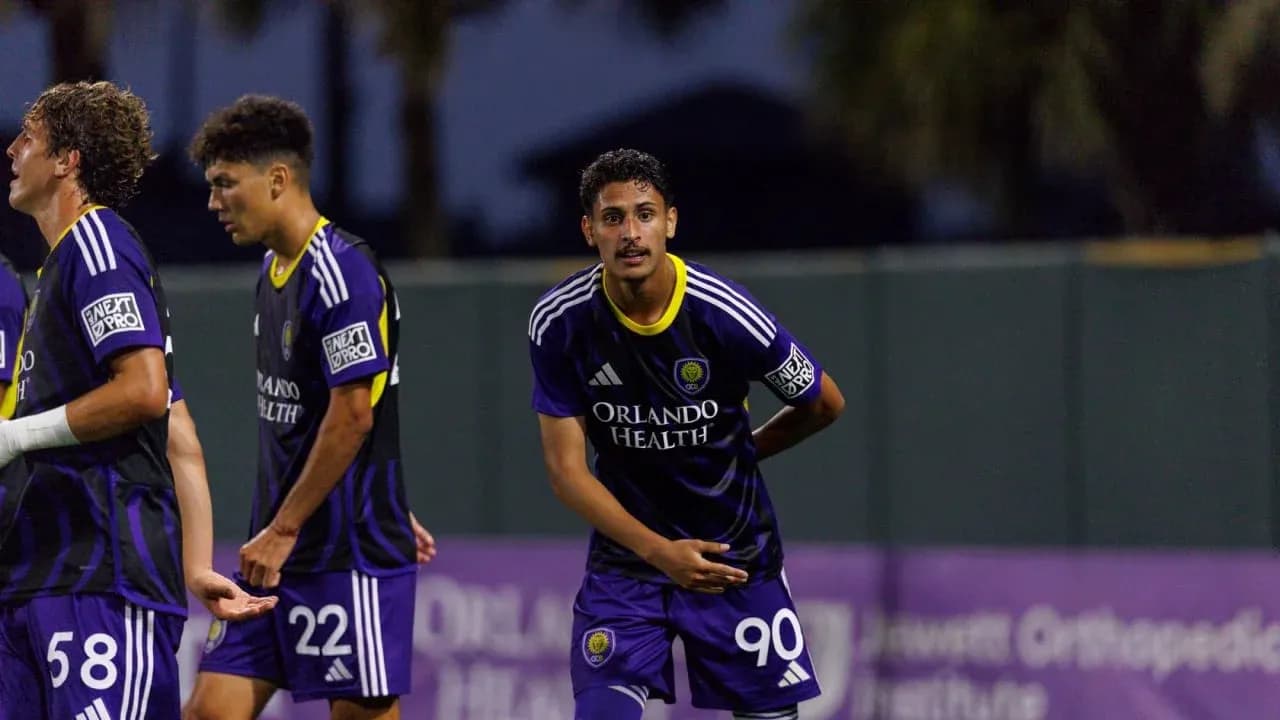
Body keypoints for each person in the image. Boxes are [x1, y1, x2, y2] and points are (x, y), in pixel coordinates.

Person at [528, 149, 846, 720]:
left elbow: (824, 403)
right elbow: (566, 475)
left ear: (671, 222)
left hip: (734, 563)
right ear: (588, 230)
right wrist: (658, 552)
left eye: (645, 214)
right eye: (613, 217)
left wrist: (750, 450)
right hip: (628, 567)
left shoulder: (724, 313)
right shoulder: (559, 323)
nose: (630, 233)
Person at [0, 80, 272, 720]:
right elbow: (180, 434)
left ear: (67, 160)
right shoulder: (57, 273)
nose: (12, 149)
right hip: (38, 582)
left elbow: (147, 393)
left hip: (100, 579)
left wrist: (15, 436)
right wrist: (198, 565)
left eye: (29, 138)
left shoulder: (97, 245)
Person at [183, 94, 435, 720]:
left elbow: (354, 414)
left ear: (277, 179)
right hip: (274, 555)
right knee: (209, 711)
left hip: (344, 557)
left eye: (224, 184)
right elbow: (320, 415)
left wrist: (291, 527)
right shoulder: (271, 272)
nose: (214, 202)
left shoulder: (343, 273)